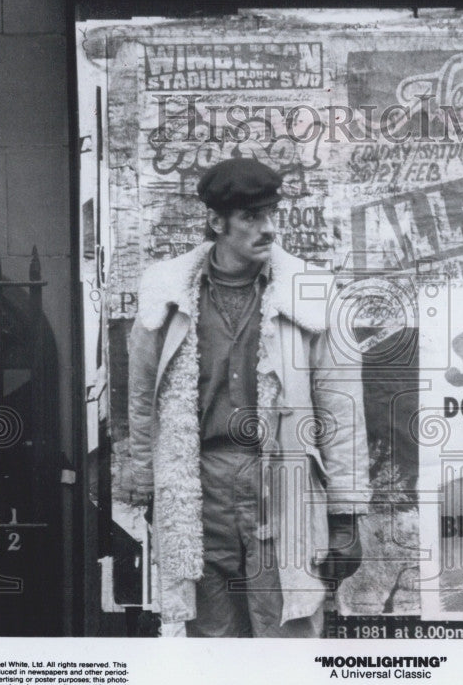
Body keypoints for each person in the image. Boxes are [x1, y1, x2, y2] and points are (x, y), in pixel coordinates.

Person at [119, 158, 369, 637]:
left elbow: (342, 409)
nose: (268, 229)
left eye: (271, 214)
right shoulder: (167, 292)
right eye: (252, 218)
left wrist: (345, 515)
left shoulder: (310, 293)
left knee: (284, 631)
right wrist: (147, 484)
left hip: (280, 479)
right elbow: (142, 398)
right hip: (198, 485)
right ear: (217, 223)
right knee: (211, 638)